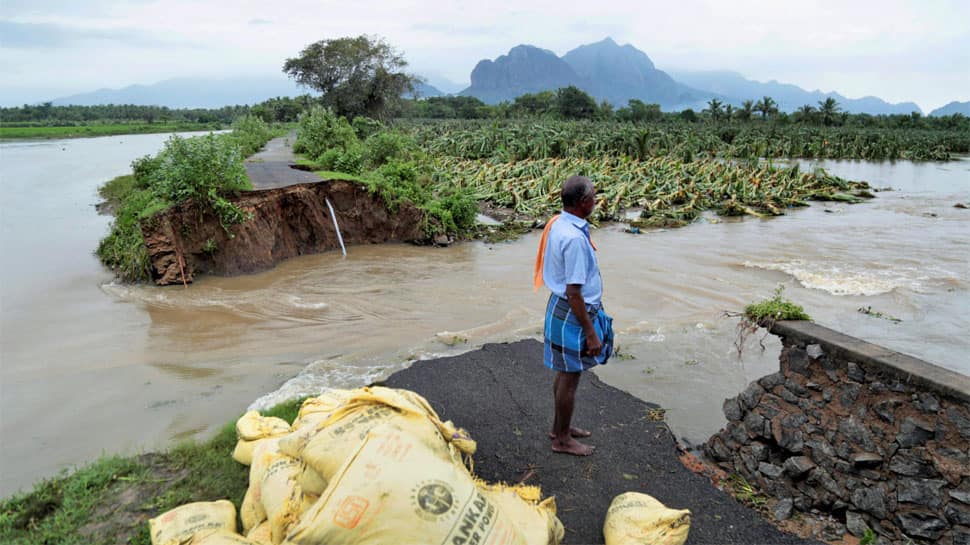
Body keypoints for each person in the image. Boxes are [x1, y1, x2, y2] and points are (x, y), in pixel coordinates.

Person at [534, 175, 613, 456]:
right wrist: (591, 332)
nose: (596, 199)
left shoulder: (559, 223)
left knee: (565, 373)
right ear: (582, 203)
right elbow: (575, 293)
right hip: (573, 310)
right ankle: (562, 440)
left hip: (560, 306)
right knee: (570, 377)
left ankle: (560, 428)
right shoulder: (575, 240)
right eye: (593, 195)